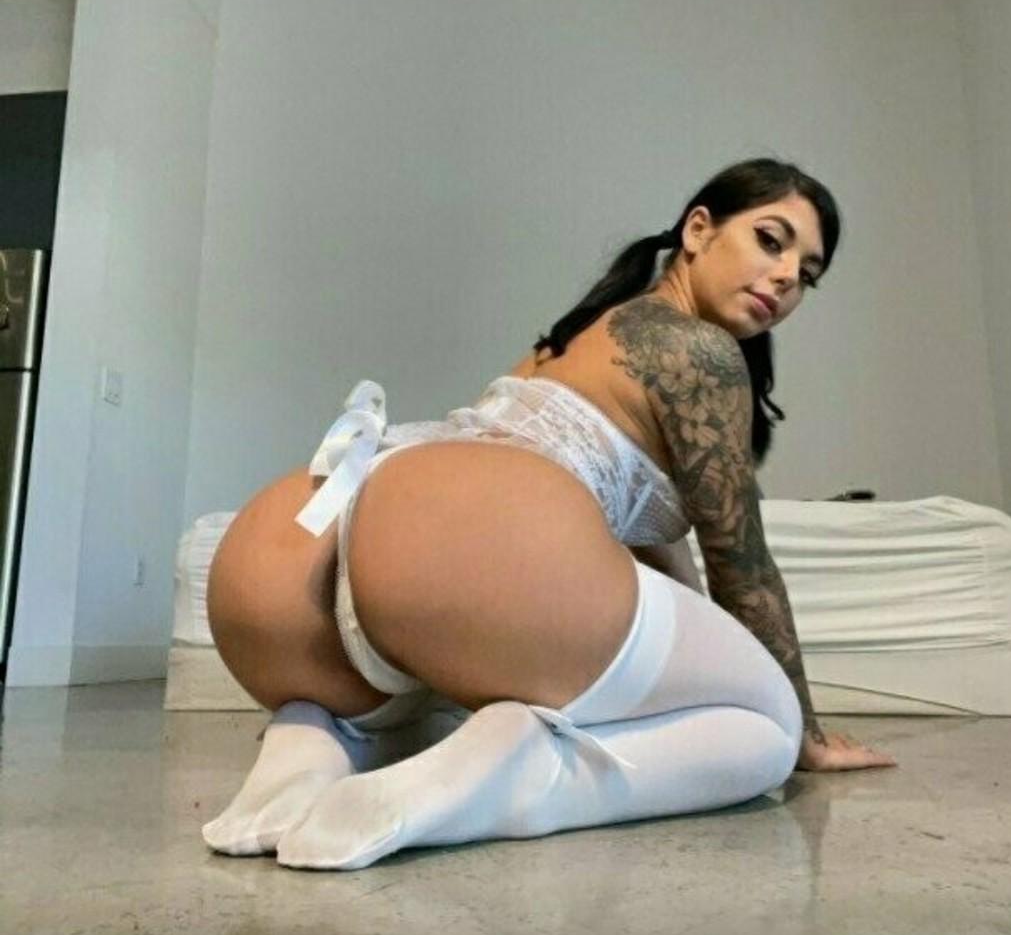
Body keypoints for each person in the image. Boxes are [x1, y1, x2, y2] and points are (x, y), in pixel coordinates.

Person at [202, 156, 897, 871]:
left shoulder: (576, 334)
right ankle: (526, 770)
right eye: (771, 241)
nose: (786, 277)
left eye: (807, 274)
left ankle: (312, 737)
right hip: (467, 544)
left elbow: (641, 537)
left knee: (440, 706)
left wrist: (688, 659)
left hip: (300, 547)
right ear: (697, 230)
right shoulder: (699, 351)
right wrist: (807, 734)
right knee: (764, 726)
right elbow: (740, 561)